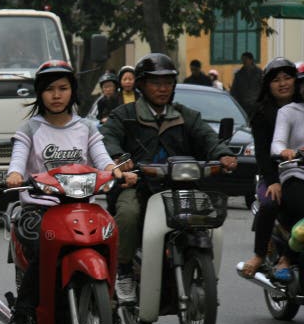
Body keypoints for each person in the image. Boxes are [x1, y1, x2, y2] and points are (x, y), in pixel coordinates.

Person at [5, 60, 133, 324]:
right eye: (50, 89)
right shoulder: (30, 129)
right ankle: (23, 312)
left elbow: (103, 159)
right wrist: (15, 175)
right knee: (42, 246)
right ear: (40, 94)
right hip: (40, 209)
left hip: (81, 205)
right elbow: (17, 162)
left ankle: (109, 302)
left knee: (109, 233)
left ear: (72, 92)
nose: (56, 95)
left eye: (63, 88)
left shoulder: (86, 127)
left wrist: (114, 171)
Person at [100, 53, 237, 304]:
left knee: (208, 218)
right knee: (128, 213)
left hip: (180, 185)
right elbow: (107, 137)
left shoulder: (186, 115)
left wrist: (223, 155)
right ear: (141, 85)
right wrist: (119, 158)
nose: (163, 88)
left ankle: (205, 275)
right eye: (155, 82)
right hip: (138, 184)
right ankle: (125, 271)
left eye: (168, 82)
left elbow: (207, 138)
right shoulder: (124, 114)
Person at [239, 58, 297, 278]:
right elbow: (263, 153)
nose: (283, 84)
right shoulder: (262, 114)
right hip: (274, 175)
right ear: (268, 85)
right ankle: (260, 254)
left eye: (287, 78)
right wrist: (273, 180)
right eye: (276, 80)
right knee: (271, 202)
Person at [269, 62, 304, 282]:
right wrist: (287, 151)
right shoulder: (288, 112)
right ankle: (286, 258)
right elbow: (276, 144)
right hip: (296, 175)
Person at [232, 52, 264, 118]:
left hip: (256, 105)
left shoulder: (259, 73)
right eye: (242, 59)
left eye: (245, 59)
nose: (243, 61)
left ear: (251, 60)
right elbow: (234, 90)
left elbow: (264, 88)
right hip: (243, 105)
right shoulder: (239, 74)